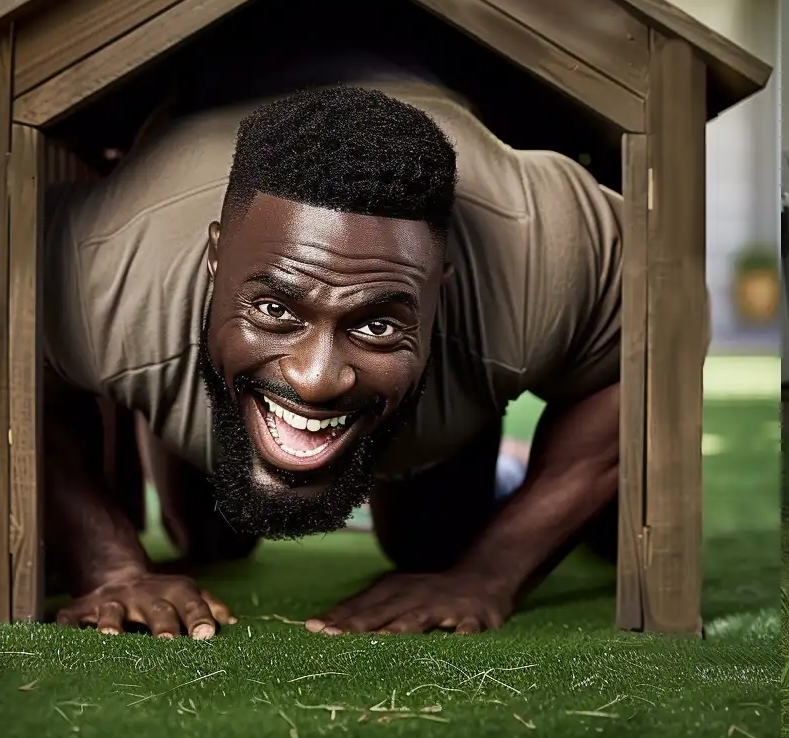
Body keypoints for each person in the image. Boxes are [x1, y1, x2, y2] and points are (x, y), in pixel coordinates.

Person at [42, 81, 622, 637]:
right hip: (167, 324)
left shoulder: (550, 251)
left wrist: (490, 572)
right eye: (273, 307)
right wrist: (109, 565)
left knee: (431, 542)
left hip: (437, 398)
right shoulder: (97, 272)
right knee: (208, 539)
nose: (315, 380)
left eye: (376, 323)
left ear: (440, 288)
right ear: (214, 257)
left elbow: (647, 359)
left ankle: (504, 467)